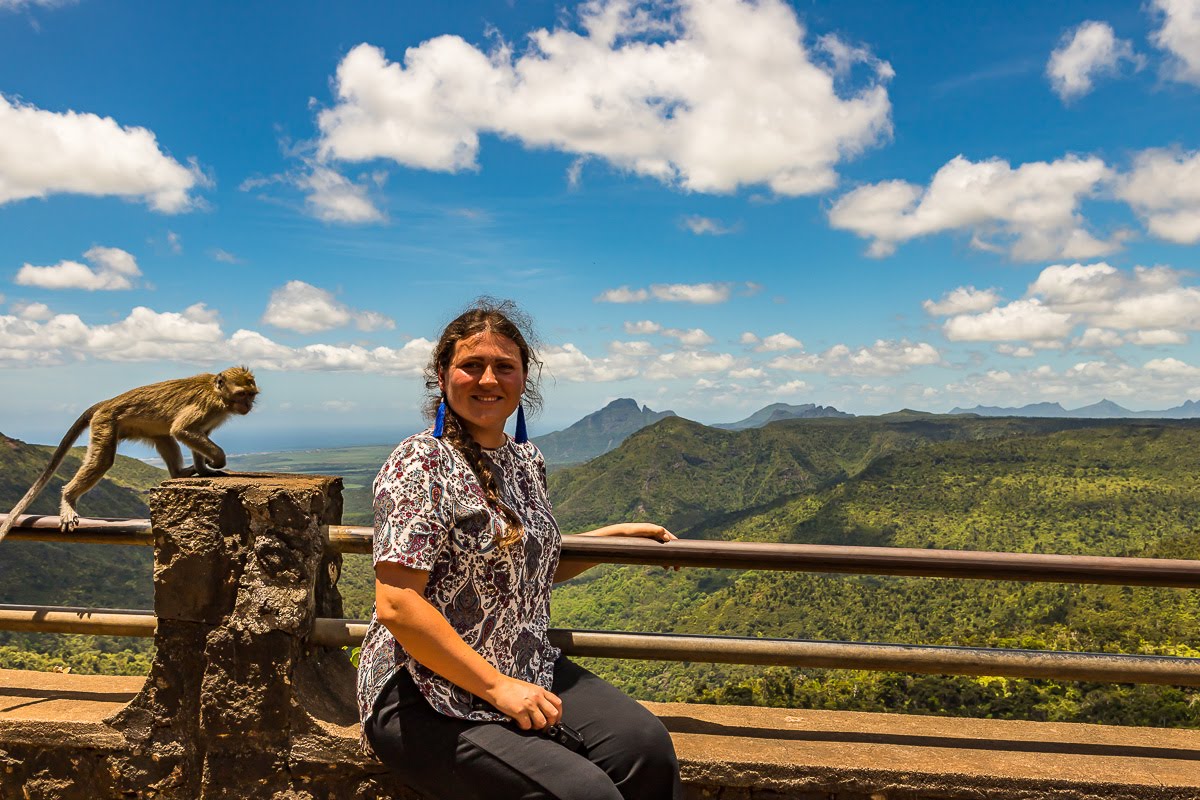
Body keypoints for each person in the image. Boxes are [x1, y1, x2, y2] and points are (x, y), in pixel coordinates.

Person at [357, 298, 683, 800]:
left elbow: (529, 566)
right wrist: (498, 689)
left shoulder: (525, 460)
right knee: (581, 793)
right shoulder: (420, 463)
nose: (488, 379)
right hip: (423, 691)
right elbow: (397, 604)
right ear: (443, 375)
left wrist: (616, 537)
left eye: (504, 367)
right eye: (471, 365)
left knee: (646, 749)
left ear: (523, 379)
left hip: (521, 662)